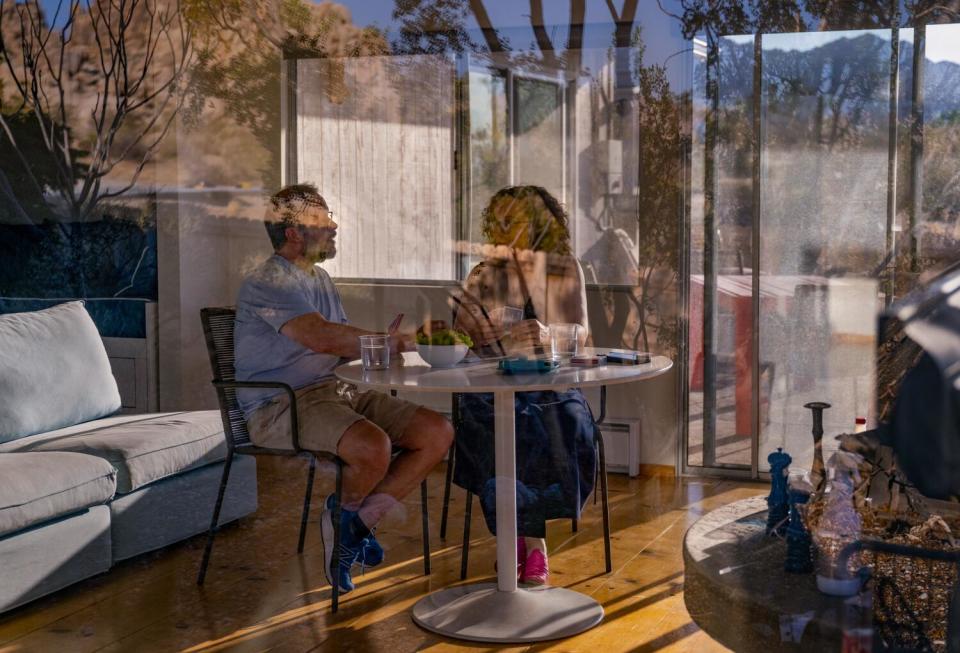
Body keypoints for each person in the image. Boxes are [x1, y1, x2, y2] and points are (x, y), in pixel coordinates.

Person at [234, 183, 453, 594]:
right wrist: (393, 341)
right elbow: (320, 337)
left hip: (334, 391)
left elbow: (338, 347)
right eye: (322, 219)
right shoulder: (268, 281)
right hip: (281, 403)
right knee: (373, 446)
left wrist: (380, 352)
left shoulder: (320, 279)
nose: (333, 226)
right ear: (294, 232)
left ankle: (353, 523)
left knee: (435, 432)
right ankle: (348, 522)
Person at [451, 185, 597, 585]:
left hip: (553, 386)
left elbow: (583, 333)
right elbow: (461, 341)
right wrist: (477, 330)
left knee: (556, 421)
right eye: (496, 221)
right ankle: (531, 543)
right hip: (492, 389)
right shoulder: (482, 274)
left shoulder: (564, 268)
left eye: (512, 219)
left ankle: (519, 536)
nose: (502, 228)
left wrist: (550, 333)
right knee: (508, 422)